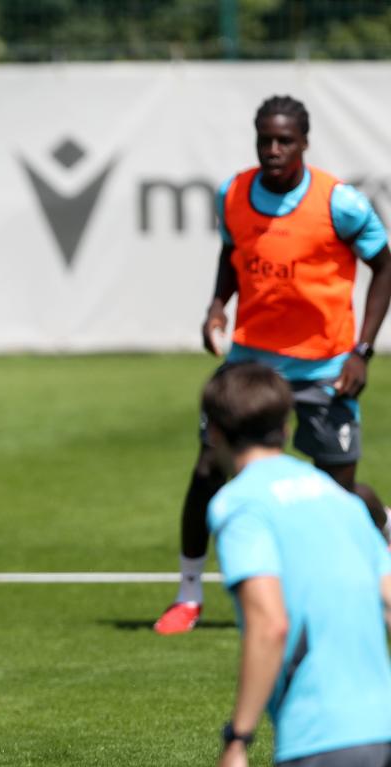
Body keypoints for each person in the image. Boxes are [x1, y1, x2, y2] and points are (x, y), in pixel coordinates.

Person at [155, 94, 391, 636]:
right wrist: (218, 305)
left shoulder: (341, 202)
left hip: (325, 367)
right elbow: (231, 254)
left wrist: (362, 352)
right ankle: (188, 595)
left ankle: (385, 531)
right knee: (207, 472)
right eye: (265, 139)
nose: (273, 149)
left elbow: (384, 268)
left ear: (305, 142)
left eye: (285, 140)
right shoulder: (233, 193)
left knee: (340, 494)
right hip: (248, 366)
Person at [203, 363, 391, 767]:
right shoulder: (341, 499)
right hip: (374, 729)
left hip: (326, 740)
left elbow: (269, 622)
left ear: (213, 432)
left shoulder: (240, 504)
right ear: (288, 426)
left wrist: (237, 742)